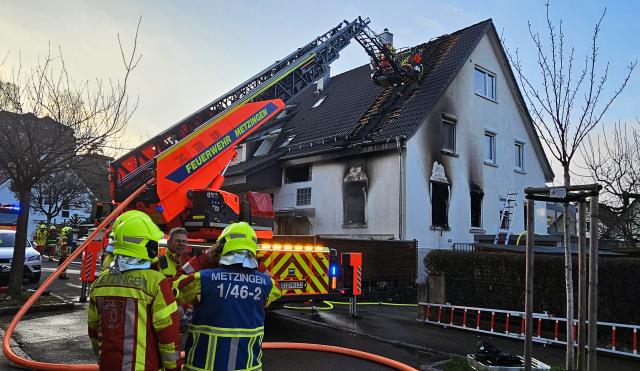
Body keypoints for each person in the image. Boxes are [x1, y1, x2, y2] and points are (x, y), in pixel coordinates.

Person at [175, 222, 281, 371]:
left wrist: (204, 259)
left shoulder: (203, 279)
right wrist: (257, 263)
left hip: (203, 367)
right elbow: (277, 288)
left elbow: (173, 285)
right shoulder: (266, 284)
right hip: (249, 367)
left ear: (221, 247)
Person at [87, 211, 181, 371]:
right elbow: (168, 336)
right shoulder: (156, 282)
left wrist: (102, 358)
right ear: (146, 246)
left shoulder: (100, 282)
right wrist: (173, 368)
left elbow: (94, 329)